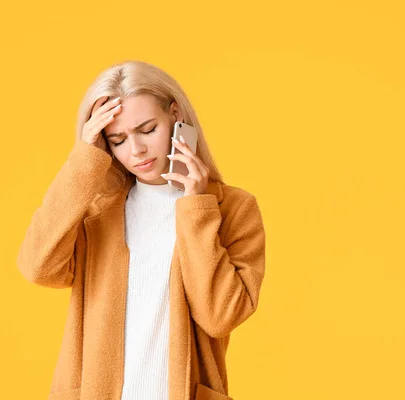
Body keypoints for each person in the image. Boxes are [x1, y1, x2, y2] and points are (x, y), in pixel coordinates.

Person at [16, 60, 266, 400]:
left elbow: (220, 316)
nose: (136, 151)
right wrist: (84, 159)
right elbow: (38, 267)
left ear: (175, 115)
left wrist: (195, 207)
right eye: (117, 139)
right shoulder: (97, 213)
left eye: (147, 130)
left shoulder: (230, 209)